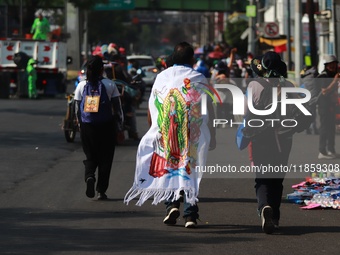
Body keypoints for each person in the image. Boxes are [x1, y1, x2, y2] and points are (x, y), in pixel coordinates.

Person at [124, 42, 216, 228]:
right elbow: (209, 109)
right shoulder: (199, 78)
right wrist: (212, 134)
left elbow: (153, 105)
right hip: (192, 135)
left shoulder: (162, 77)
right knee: (190, 171)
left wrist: (155, 130)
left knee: (170, 168)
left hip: (166, 133)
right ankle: (190, 215)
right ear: (192, 59)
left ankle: (171, 205)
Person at [245, 51, 293, 234]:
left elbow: (246, 114)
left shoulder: (254, 86)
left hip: (261, 138)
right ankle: (275, 217)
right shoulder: (288, 85)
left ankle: (264, 206)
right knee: (277, 180)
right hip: (284, 139)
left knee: (263, 177)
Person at [74, 55, 123, 200]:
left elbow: (77, 107)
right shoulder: (110, 85)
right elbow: (118, 108)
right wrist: (119, 127)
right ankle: (101, 190)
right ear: (102, 69)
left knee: (90, 155)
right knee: (106, 158)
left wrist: (80, 124)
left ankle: (89, 176)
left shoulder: (81, 85)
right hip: (107, 126)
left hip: (87, 126)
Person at [316, 55, 340, 159]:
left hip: (331, 105)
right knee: (325, 128)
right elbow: (324, 91)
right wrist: (335, 81)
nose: (332, 66)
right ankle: (322, 151)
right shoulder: (323, 76)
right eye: (330, 65)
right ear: (326, 65)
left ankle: (331, 150)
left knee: (331, 129)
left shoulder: (334, 75)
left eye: (334, 64)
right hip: (324, 106)